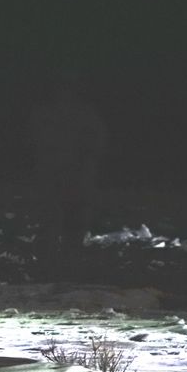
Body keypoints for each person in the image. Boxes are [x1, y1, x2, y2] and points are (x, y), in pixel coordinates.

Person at [29, 72, 108, 270]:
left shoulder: (85, 116)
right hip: (55, 173)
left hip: (76, 174)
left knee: (74, 219)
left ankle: (69, 259)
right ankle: (51, 261)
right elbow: (37, 143)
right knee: (52, 220)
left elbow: (96, 146)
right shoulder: (46, 114)